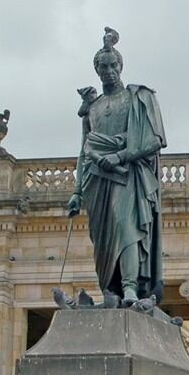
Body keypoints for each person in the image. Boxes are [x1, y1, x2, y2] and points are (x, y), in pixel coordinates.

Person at [67, 27, 167, 304]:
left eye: (113, 65)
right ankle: (110, 291)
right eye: (103, 67)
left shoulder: (138, 97)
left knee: (126, 227)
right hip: (97, 180)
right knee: (103, 242)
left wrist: (120, 156)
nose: (109, 71)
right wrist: (76, 192)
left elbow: (154, 139)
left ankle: (131, 286)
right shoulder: (93, 107)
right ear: (97, 71)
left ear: (121, 67)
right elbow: (85, 150)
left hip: (128, 176)